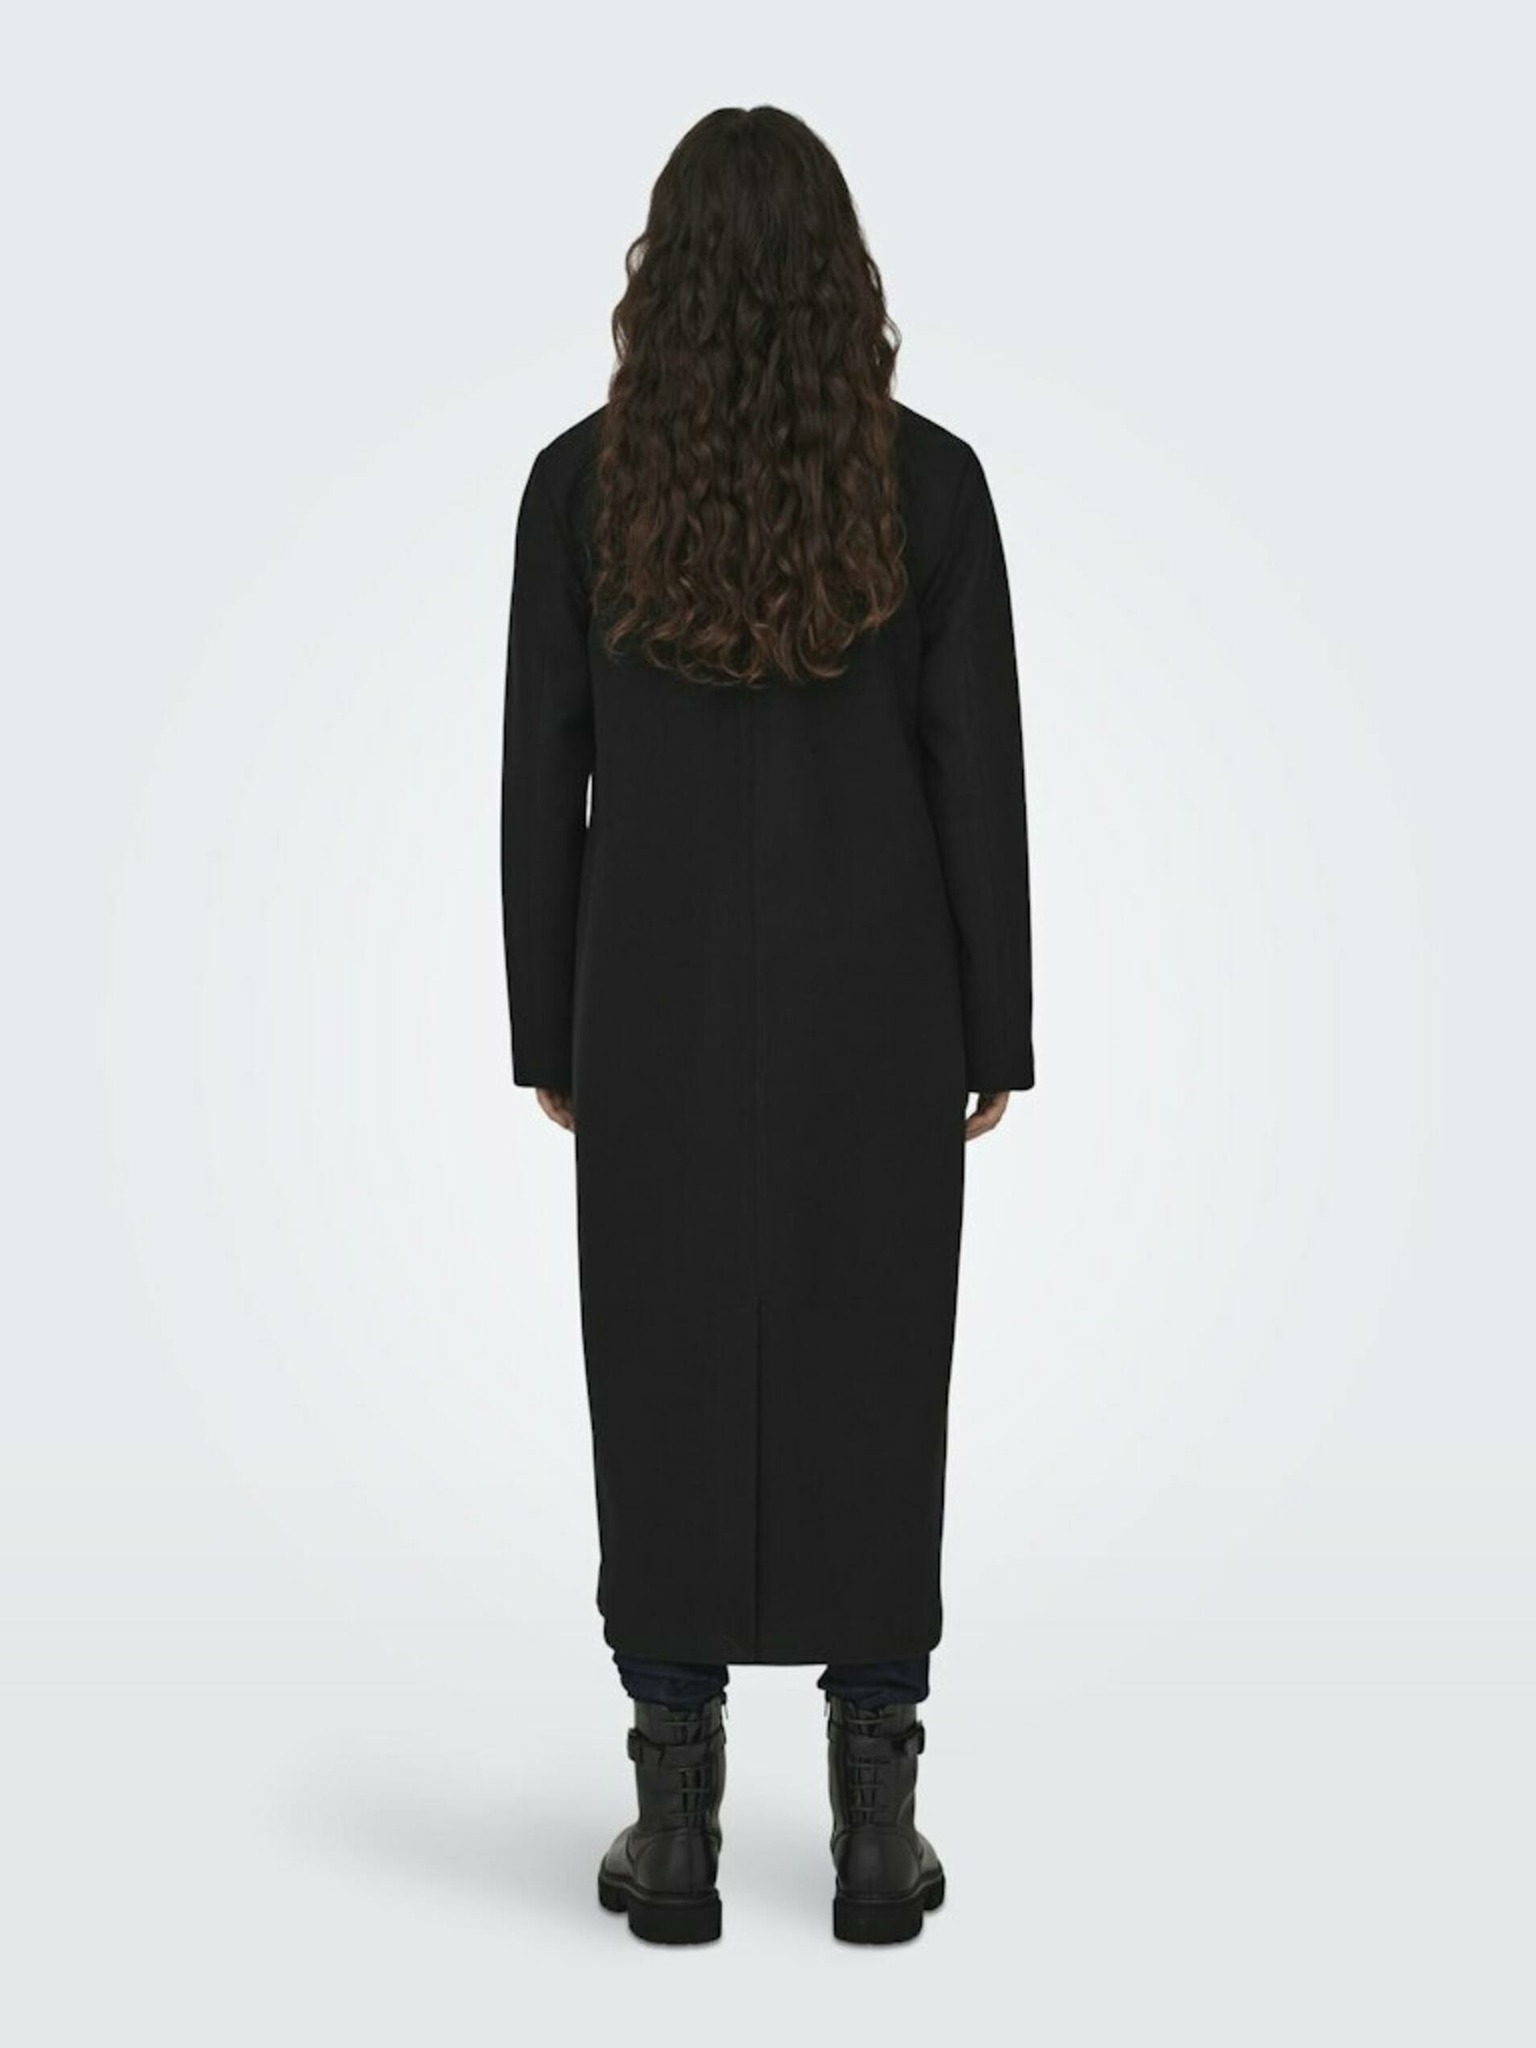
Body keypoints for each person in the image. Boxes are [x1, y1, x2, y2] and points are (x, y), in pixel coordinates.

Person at [500, 105, 1034, 1947]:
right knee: (877, 1370)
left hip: (647, 1002)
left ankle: (677, 1837)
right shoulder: (931, 485)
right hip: (881, 1009)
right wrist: (993, 1027)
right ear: (838, 272)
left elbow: (542, 777)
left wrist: (550, 1029)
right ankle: (877, 1838)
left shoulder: (582, 488)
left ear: (665, 276)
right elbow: (978, 777)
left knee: (658, 1367)